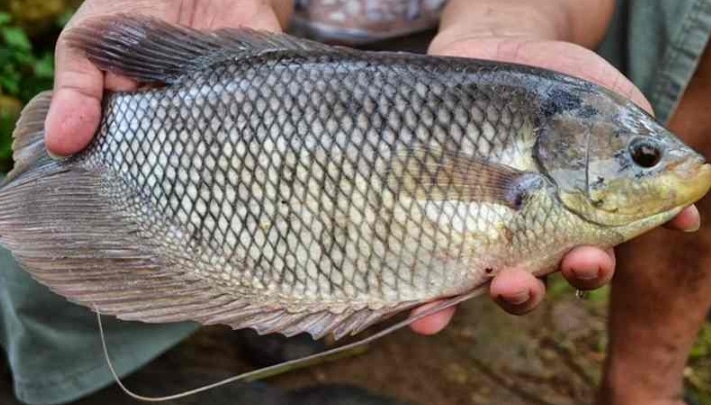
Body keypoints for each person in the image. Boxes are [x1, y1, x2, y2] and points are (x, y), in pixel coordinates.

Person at [0, 0, 708, 404]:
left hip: (483, 32)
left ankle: (643, 387)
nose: (666, 166)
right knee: (56, 230)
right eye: (643, 157)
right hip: (266, 44)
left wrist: (525, 15)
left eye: (642, 156)